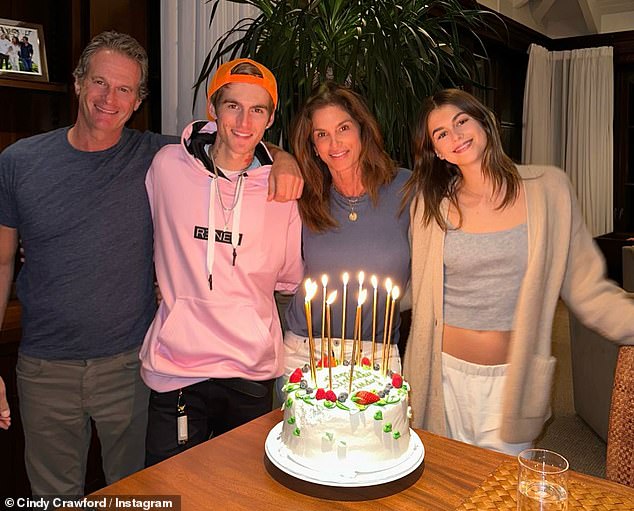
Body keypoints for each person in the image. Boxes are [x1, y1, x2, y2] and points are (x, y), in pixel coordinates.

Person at [0, 32, 301, 496]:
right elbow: (3, 262)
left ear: (139, 101)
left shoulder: (156, 156)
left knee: (141, 495)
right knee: (53, 497)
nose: (109, 99)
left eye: (124, 89)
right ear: (78, 83)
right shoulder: (29, 162)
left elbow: (240, 147)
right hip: (49, 366)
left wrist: (285, 158)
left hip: (130, 364)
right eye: (100, 82)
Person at [402, 88, 634, 455]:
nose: (456, 135)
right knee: (448, 491)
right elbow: (416, 286)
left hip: (513, 381)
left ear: (484, 122)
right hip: (439, 378)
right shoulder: (431, 204)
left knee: (503, 494)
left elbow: (588, 290)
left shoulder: (547, 190)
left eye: (462, 121)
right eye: (441, 133)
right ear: (436, 151)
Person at [140, 58, 303, 466]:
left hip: (250, 371)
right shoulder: (166, 168)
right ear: (212, 110)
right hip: (176, 369)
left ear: (270, 118)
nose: (244, 121)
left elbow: (288, 279)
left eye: (258, 110)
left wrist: (283, 159)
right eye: (233, 106)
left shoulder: (282, 190)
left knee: (242, 494)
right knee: (169, 494)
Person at [280, 82, 411, 392]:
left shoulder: (406, 188)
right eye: (321, 135)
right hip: (305, 348)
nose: (334, 143)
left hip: (376, 353)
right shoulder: (303, 195)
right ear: (312, 146)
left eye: (343, 128)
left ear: (363, 130)